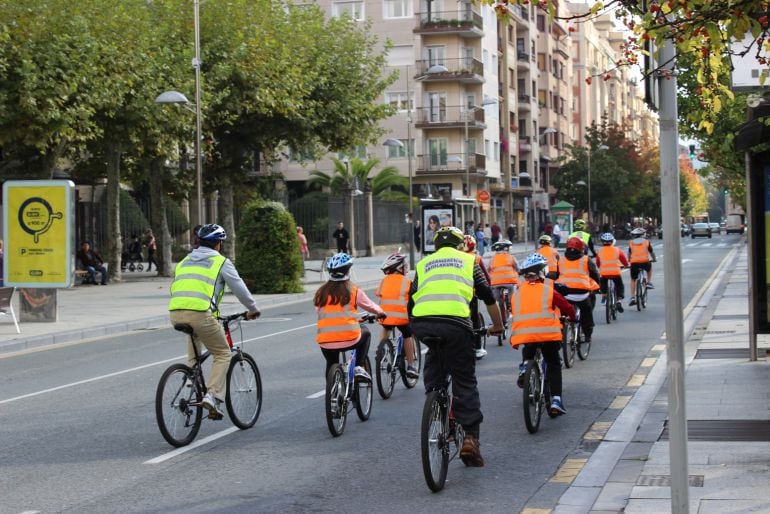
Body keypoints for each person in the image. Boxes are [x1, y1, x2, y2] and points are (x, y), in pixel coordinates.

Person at [408, 226, 504, 467]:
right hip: (457, 325)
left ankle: (435, 400)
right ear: (461, 244)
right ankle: (470, 437)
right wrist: (498, 325)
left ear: (437, 245)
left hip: (423, 324)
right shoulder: (468, 261)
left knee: (435, 366)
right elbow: (488, 296)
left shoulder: (424, 264)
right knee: (464, 379)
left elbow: (411, 300)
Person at [168, 224, 261, 419]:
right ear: (218, 243)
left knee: (196, 333)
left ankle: (191, 376)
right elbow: (239, 288)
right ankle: (213, 395)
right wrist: (252, 309)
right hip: (200, 313)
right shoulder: (220, 262)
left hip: (175, 312)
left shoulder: (184, 261)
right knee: (223, 353)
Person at [511, 253, 576, 415]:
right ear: (542, 272)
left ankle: (525, 367)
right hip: (548, 335)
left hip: (524, 334)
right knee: (553, 362)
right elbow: (567, 307)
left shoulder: (517, 293)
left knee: (529, 349)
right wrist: (573, 318)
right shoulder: (548, 290)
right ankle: (556, 400)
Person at [314, 253, 386, 382]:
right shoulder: (353, 290)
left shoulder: (320, 292)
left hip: (325, 340)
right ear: (348, 270)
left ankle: (332, 393)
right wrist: (381, 313)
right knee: (366, 333)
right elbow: (370, 306)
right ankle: (358, 366)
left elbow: (321, 313)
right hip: (349, 338)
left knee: (331, 362)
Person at [376, 252, 419, 378]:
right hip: (402, 318)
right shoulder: (407, 282)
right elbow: (413, 299)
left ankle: (381, 351)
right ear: (399, 269)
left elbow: (379, 293)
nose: (406, 268)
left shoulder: (383, 281)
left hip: (385, 316)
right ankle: (411, 365)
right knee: (407, 334)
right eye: (405, 266)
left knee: (386, 327)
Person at [556, 237, 600, 343]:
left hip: (564, 293)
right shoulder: (586, 259)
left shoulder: (561, 260)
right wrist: (598, 286)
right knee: (586, 309)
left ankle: (561, 329)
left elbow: (556, 275)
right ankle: (587, 333)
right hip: (582, 293)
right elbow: (595, 274)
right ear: (581, 248)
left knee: (563, 311)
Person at [463, 234, 492, 359]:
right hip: (471, 293)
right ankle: (478, 347)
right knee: (475, 318)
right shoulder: (477, 258)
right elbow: (486, 278)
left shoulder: (456, 257)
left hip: (457, 293)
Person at [597, 232, 628, 312]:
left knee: (603, 283)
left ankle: (604, 297)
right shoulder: (617, 250)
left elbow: (598, 262)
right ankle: (619, 300)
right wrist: (626, 265)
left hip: (604, 273)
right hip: (615, 273)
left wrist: (600, 267)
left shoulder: (599, 251)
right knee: (620, 285)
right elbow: (623, 260)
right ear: (612, 241)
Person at [488, 239, 520, 316]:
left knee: (497, 301)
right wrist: (520, 272)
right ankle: (511, 307)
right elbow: (518, 268)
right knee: (512, 297)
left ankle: (499, 315)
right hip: (510, 282)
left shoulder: (492, 259)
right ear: (506, 248)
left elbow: (488, 269)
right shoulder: (510, 257)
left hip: (495, 283)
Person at [628, 226, 657, 306]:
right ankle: (649, 282)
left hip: (634, 263)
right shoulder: (646, 242)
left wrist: (629, 260)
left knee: (633, 279)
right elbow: (651, 252)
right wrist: (654, 259)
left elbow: (629, 253)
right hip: (645, 262)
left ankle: (632, 297)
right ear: (643, 234)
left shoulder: (631, 242)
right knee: (649, 268)